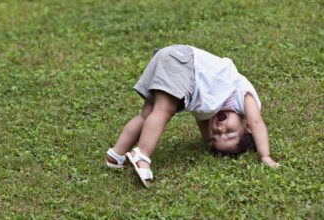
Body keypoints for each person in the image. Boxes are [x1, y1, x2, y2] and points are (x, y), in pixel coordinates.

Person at [105, 45, 279, 188]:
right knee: (163, 111)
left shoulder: (212, 103)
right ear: (246, 125)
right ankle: (142, 154)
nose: (221, 129)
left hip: (169, 57)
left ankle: (117, 154)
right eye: (230, 133)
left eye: (218, 135)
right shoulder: (242, 95)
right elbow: (257, 122)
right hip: (185, 64)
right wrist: (265, 156)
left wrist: (210, 140)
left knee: (147, 115)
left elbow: (203, 125)